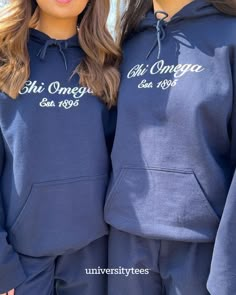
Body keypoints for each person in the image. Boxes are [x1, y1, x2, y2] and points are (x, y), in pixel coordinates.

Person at [104, 0, 236, 294]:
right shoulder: (126, 43)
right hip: (125, 243)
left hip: (204, 249)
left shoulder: (230, 36)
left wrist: (228, 272)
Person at [0, 0, 120, 294]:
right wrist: (3, 268)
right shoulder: (6, 61)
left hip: (93, 258)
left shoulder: (107, 65)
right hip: (21, 262)